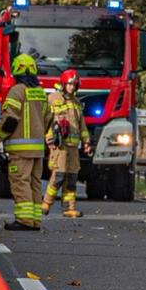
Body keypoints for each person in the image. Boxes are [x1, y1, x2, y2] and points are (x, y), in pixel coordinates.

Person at [0, 53, 48, 231]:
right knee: (35, 183)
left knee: (20, 182)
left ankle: (24, 220)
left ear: (16, 71)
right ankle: (35, 220)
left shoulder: (17, 91)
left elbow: (9, 120)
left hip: (20, 150)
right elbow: (48, 118)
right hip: (38, 149)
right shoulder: (40, 93)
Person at [41, 69, 89, 218]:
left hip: (73, 148)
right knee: (59, 175)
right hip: (59, 146)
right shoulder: (52, 99)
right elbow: (45, 121)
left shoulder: (76, 102)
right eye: (69, 84)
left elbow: (82, 125)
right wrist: (49, 139)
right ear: (63, 84)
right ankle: (46, 203)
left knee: (72, 178)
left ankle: (69, 207)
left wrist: (86, 142)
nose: (72, 87)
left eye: (74, 85)